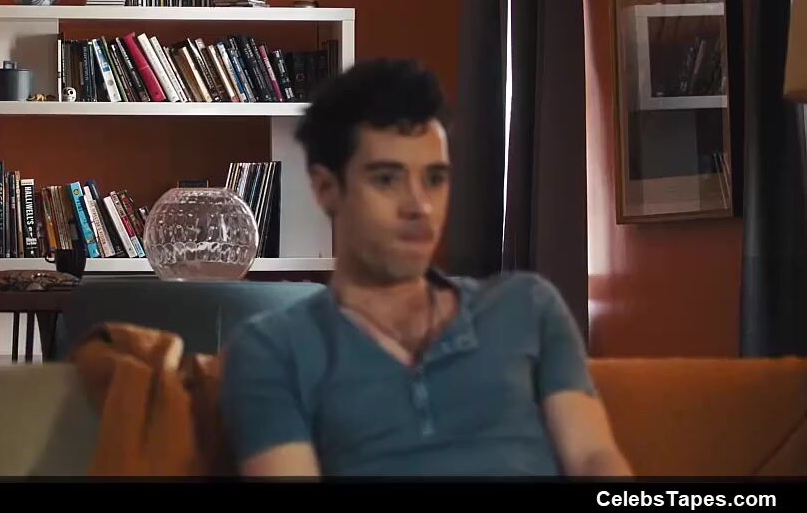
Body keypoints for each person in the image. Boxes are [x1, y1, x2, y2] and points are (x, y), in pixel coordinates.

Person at [220, 58, 631, 478]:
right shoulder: (274, 349)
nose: (421, 207)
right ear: (327, 188)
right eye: (387, 179)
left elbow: (593, 458)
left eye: (435, 179)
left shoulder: (527, 306)